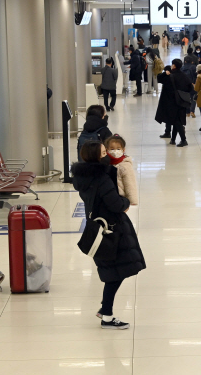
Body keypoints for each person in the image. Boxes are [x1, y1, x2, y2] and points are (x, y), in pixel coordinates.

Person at [71, 141, 145, 330]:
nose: (108, 155)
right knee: (118, 271)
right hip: (111, 230)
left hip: (97, 228)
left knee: (114, 270)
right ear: (96, 156)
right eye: (104, 152)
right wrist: (126, 201)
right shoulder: (101, 178)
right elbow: (115, 204)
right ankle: (107, 316)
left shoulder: (82, 177)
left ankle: (105, 310)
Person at [156, 59, 193, 147]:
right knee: (178, 120)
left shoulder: (170, 76)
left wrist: (165, 73)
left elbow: (159, 78)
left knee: (176, 121)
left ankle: (184, 140)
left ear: (174, 66)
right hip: (182, 101)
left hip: (171, 102)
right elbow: (190, 88)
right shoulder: (184, 75)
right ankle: (173, 140)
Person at [105, 134, 138, 206]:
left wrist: (132, 200)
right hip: (106, 197)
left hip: (120, 198)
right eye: (112, 149)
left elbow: (130, 184)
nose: (115, 151)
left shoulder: (125, 165)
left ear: (123, 150)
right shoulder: (105, 163)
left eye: (118, 149)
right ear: (107, 149)